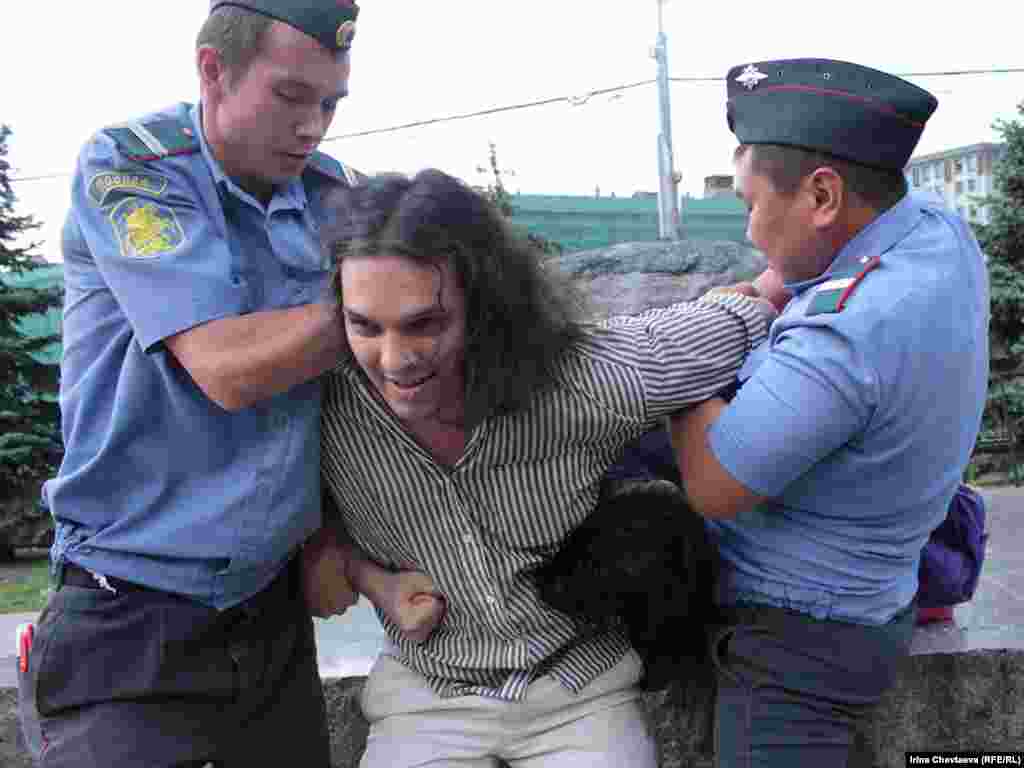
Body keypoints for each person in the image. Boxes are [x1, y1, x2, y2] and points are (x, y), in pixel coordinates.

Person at [13, 3, 434, 766]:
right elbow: (227, 370)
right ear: (213, 69)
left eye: (331, 103)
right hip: (129, 617)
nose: (314, 126)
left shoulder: (335, 196)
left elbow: (354, 405)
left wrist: (335, 541)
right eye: (290, 96)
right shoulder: (133, 169)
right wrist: (398, 313)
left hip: (268, 615)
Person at [300, 167, 775, 767]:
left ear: (486, 306)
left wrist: (754, 296)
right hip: (427, 696)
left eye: (425, 324)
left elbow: (737, 317)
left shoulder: (582, 380)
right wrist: (365, 574)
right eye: (365, 326)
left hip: (581, 691)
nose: (393, 361)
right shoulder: (316, 406)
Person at [665, 58, 990, 766]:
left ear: (822, 194)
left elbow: (714, 486)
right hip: (874, 586)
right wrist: (758, 294)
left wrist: (680, 367)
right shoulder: (933, 233)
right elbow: (793, 270)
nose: (751, 230)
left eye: (753, 204)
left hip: (797, 644)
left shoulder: (846, 335)